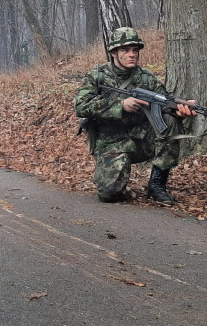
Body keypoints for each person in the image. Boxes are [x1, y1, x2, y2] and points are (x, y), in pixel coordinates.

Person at [74, 27, 196, 205]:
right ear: (114, 53)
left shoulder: (146, 78)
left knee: (170, 120)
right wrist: (120, 105)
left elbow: (164, 105)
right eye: (125, 50)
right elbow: (81, 106)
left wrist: (179, 112)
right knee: (109, 194)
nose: (132, 55)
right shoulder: (98, 76)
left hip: (141, 139)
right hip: (110, 142)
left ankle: (157, 185)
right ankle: (118, 174)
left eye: (135, 50)